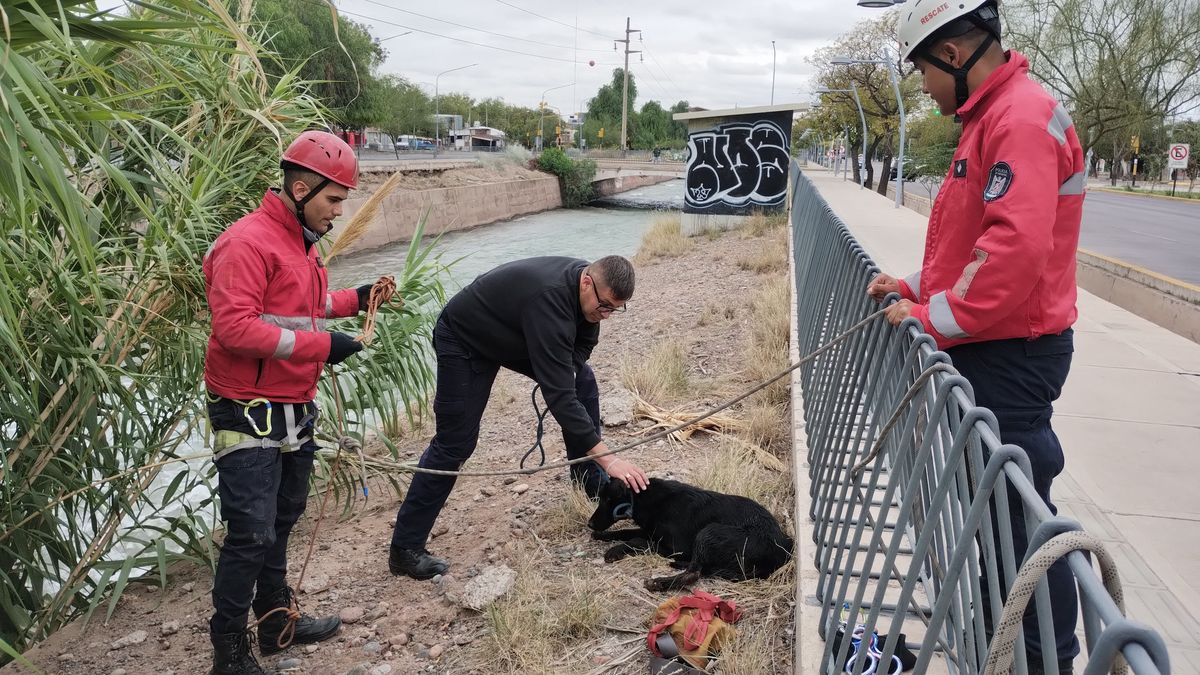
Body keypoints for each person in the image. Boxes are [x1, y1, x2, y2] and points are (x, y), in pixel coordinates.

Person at [868, 2, 1085, 673]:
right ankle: (1005, 635)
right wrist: (913, 287)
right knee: (998, 510)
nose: (924, 88)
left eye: (923, 72)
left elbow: (1012, 258)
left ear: (954, 56)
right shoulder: (990, 117)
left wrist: (930, 318)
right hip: (995, 345)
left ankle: (1046, 658)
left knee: (1021, 517)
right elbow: (972, 247)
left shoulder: (1017, 119)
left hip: (1011, 354)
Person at [203, 130, 376, 674]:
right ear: (301, 188)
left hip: (294, 409)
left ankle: (277, 621)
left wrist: (357, 301)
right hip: (246, 412)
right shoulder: (246, 243)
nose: (338, 214)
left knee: (281, 519)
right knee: (251, 533)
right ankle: (228, 651)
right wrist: (326, 346)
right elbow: (234, 328)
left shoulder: (300, 244)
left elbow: (304, 304)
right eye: (333, 201)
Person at [388, 255, 650, 580]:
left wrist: (565, 368)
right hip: (465, 338)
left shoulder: (590, 295)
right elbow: (560, 398)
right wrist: (611, 460)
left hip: (513, 333)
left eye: (615, 309)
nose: (606, 315)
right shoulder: (551, 299)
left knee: (581, 380)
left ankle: (588, 480)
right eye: (605, 306)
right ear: (587, 282)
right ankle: (405, 549)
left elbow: (580, 349)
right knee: (455, 443)